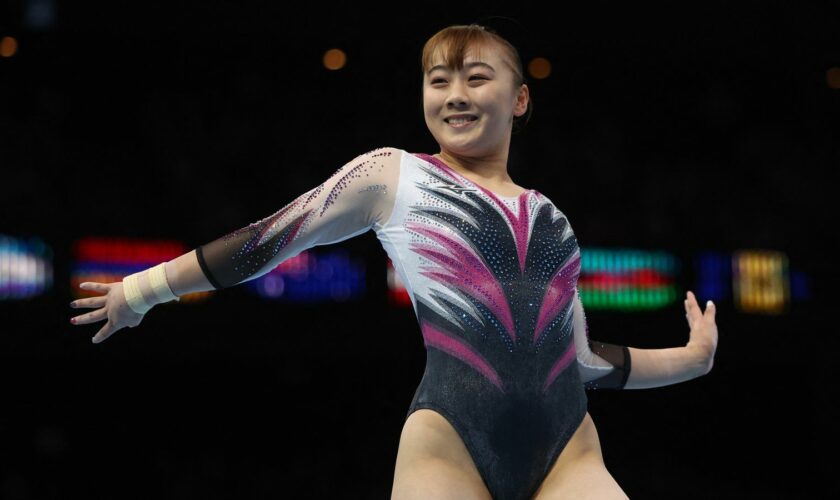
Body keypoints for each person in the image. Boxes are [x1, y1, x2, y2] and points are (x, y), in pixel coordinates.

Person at [69, 23, 718, 500]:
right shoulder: (393, 176)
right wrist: (144, 290)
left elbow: (577, 362)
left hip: (569, 453)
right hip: (450, 443)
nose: (455, 94)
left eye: (476, 77)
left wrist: (692, 360)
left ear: (521, 99)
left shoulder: (554, 222)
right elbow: (269, 239)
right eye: (439, 81)